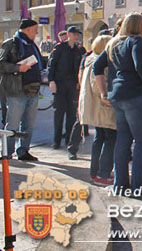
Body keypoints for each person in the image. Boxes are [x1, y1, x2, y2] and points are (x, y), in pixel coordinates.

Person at [95, 13, 142, 192]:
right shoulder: (136, 42)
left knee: (123, 140)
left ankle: (120, 183)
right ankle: (138, 185)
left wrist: (103, 92)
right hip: (136, 95)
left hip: (117, 95)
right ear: (139, 26)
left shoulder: (113, 43)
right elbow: (141, 67)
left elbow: (97, 66)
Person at [0, 19, 44, 161]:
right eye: (35, 29)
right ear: (28, 29)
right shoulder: (11, 43)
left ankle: (24, 151)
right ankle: (7, 152)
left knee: (29, 124)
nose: (37, 32)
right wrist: (18, 68)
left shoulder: (32, 45)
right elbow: (1, 64)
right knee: (12, 123)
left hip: (32, 89)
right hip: (16, 89)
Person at [78, 35, 116, 185]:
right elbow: (97, 85)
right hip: (102, 107)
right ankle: (102, 174)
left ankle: (95, 172)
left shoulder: (90, 59)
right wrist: (108, 97)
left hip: (95, 107)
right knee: (110, 139)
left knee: (99, 138)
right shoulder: (99, 62)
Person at [49, 26, 86, 155]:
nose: (76, 37)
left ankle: (69, 140)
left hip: (73, 85)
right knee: (59, 113)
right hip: (60, 84)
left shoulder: (79, 50)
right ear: (69, 34)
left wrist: (79, 82)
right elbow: (51, 65)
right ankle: (56, 140)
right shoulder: (59, 48)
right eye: (74, 34)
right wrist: (51, 81)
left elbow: (82, 67)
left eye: (78, 34)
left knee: (71, 114)